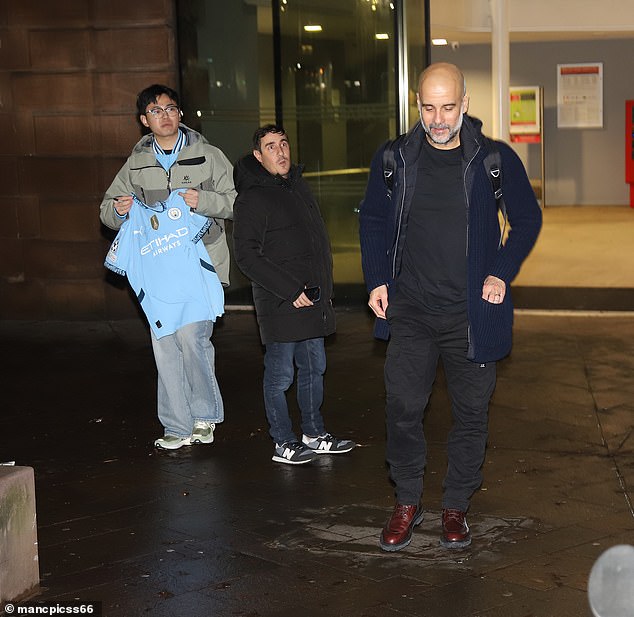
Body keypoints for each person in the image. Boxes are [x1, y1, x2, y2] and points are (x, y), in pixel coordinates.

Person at [359, 63, 542, 551]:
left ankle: (456, 504)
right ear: (417, 105)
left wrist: (501, 271)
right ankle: (408, 500)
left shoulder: (493, 159)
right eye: (428, 107)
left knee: (471, 414)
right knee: (402, 408)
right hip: (412, 310)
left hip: (471, 317)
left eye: (447, 107)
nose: (438, 119)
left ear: (464, 104)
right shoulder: (394, 158)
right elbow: (374, 220)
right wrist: (377, 278)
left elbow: (525, 219)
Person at [100, 84, 236, 450]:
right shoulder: (136, 163)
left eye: (172, 108)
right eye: (156, 111)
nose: (166, 116)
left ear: (181, 114)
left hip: (201, 265)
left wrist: (203, 200)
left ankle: (205, 416)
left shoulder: (208, 154)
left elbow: (238, 203)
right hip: (159, 272)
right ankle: (177, 425)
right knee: (165, 344)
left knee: (192, 339)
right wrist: (119, 210)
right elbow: (107, 210)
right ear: (145, 121)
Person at [232, 124, 356, 465]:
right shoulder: (252, 197)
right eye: (271, 147)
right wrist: (290, 291)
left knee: (315, 367)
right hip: (280, 301)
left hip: (312, 298)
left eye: (284, 143)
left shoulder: (297, 187)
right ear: (259, 156)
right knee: (281, 374)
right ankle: (283, 441)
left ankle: (314, 433)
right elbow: (247, 256)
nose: (281, 151)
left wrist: (324, 292)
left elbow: (316, 245)